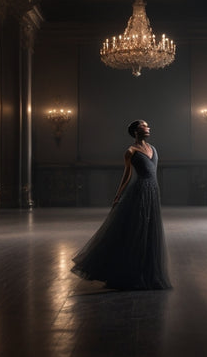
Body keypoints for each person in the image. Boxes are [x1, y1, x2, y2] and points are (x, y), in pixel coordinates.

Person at [71, 120, 171, 290]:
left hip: (153, 192)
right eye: (144, 126)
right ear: (135, 131)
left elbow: (153, 173)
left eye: (147, 125)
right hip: (139, 192)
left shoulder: (153, 149)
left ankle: (148, 273)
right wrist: (118, 195)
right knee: (136, 231)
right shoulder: (130, 151)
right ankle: (130, 274)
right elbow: (126, 175)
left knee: (150, 231)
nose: (148, 128)